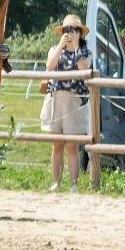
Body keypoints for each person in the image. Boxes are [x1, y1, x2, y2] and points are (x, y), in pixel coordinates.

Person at [42, 14, 92, 192]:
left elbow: (84, 70)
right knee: (56, 145)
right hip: (56, 100)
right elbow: (49, 66)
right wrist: (62, 46)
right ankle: (56, 182)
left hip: (75, 102)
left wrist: (76, 47)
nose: (70, 33)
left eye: (74, 30)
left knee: (72, 146)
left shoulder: (86, 51)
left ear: (80, 33)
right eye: (66, 30)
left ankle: (73, 184)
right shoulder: (55, 48)